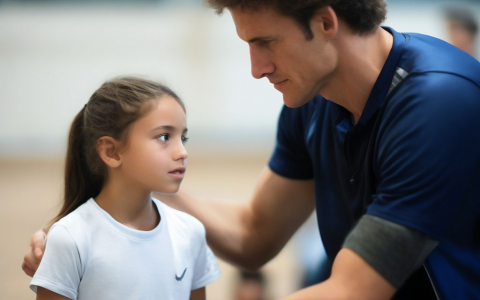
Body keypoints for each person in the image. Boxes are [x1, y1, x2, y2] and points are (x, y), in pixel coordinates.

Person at [23, 1, 480, 299]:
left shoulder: (439, 101)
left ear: (325, 22)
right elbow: (255, 233)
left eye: (265, 42)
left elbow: (351, 291)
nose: (256, 69)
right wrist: (120, 205)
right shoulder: (314, 100)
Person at [27, 77, 220, 300]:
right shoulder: (71, 238)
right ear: (111, 152)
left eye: (183, 138)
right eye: (164, 137)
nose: (182, 152)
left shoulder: (190, 233)